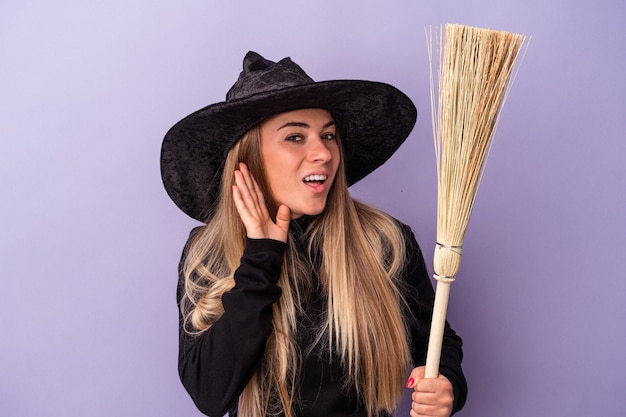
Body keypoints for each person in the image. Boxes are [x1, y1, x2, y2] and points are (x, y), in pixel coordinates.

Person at [161, 51, 467, 417]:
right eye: (295, 137)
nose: (323, 152)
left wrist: (446, 384)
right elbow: (210, 394)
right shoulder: (206, 255)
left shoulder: (385, 242)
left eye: (329, 135)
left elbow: (436, 341)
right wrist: (261, 255)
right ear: (248, 158)